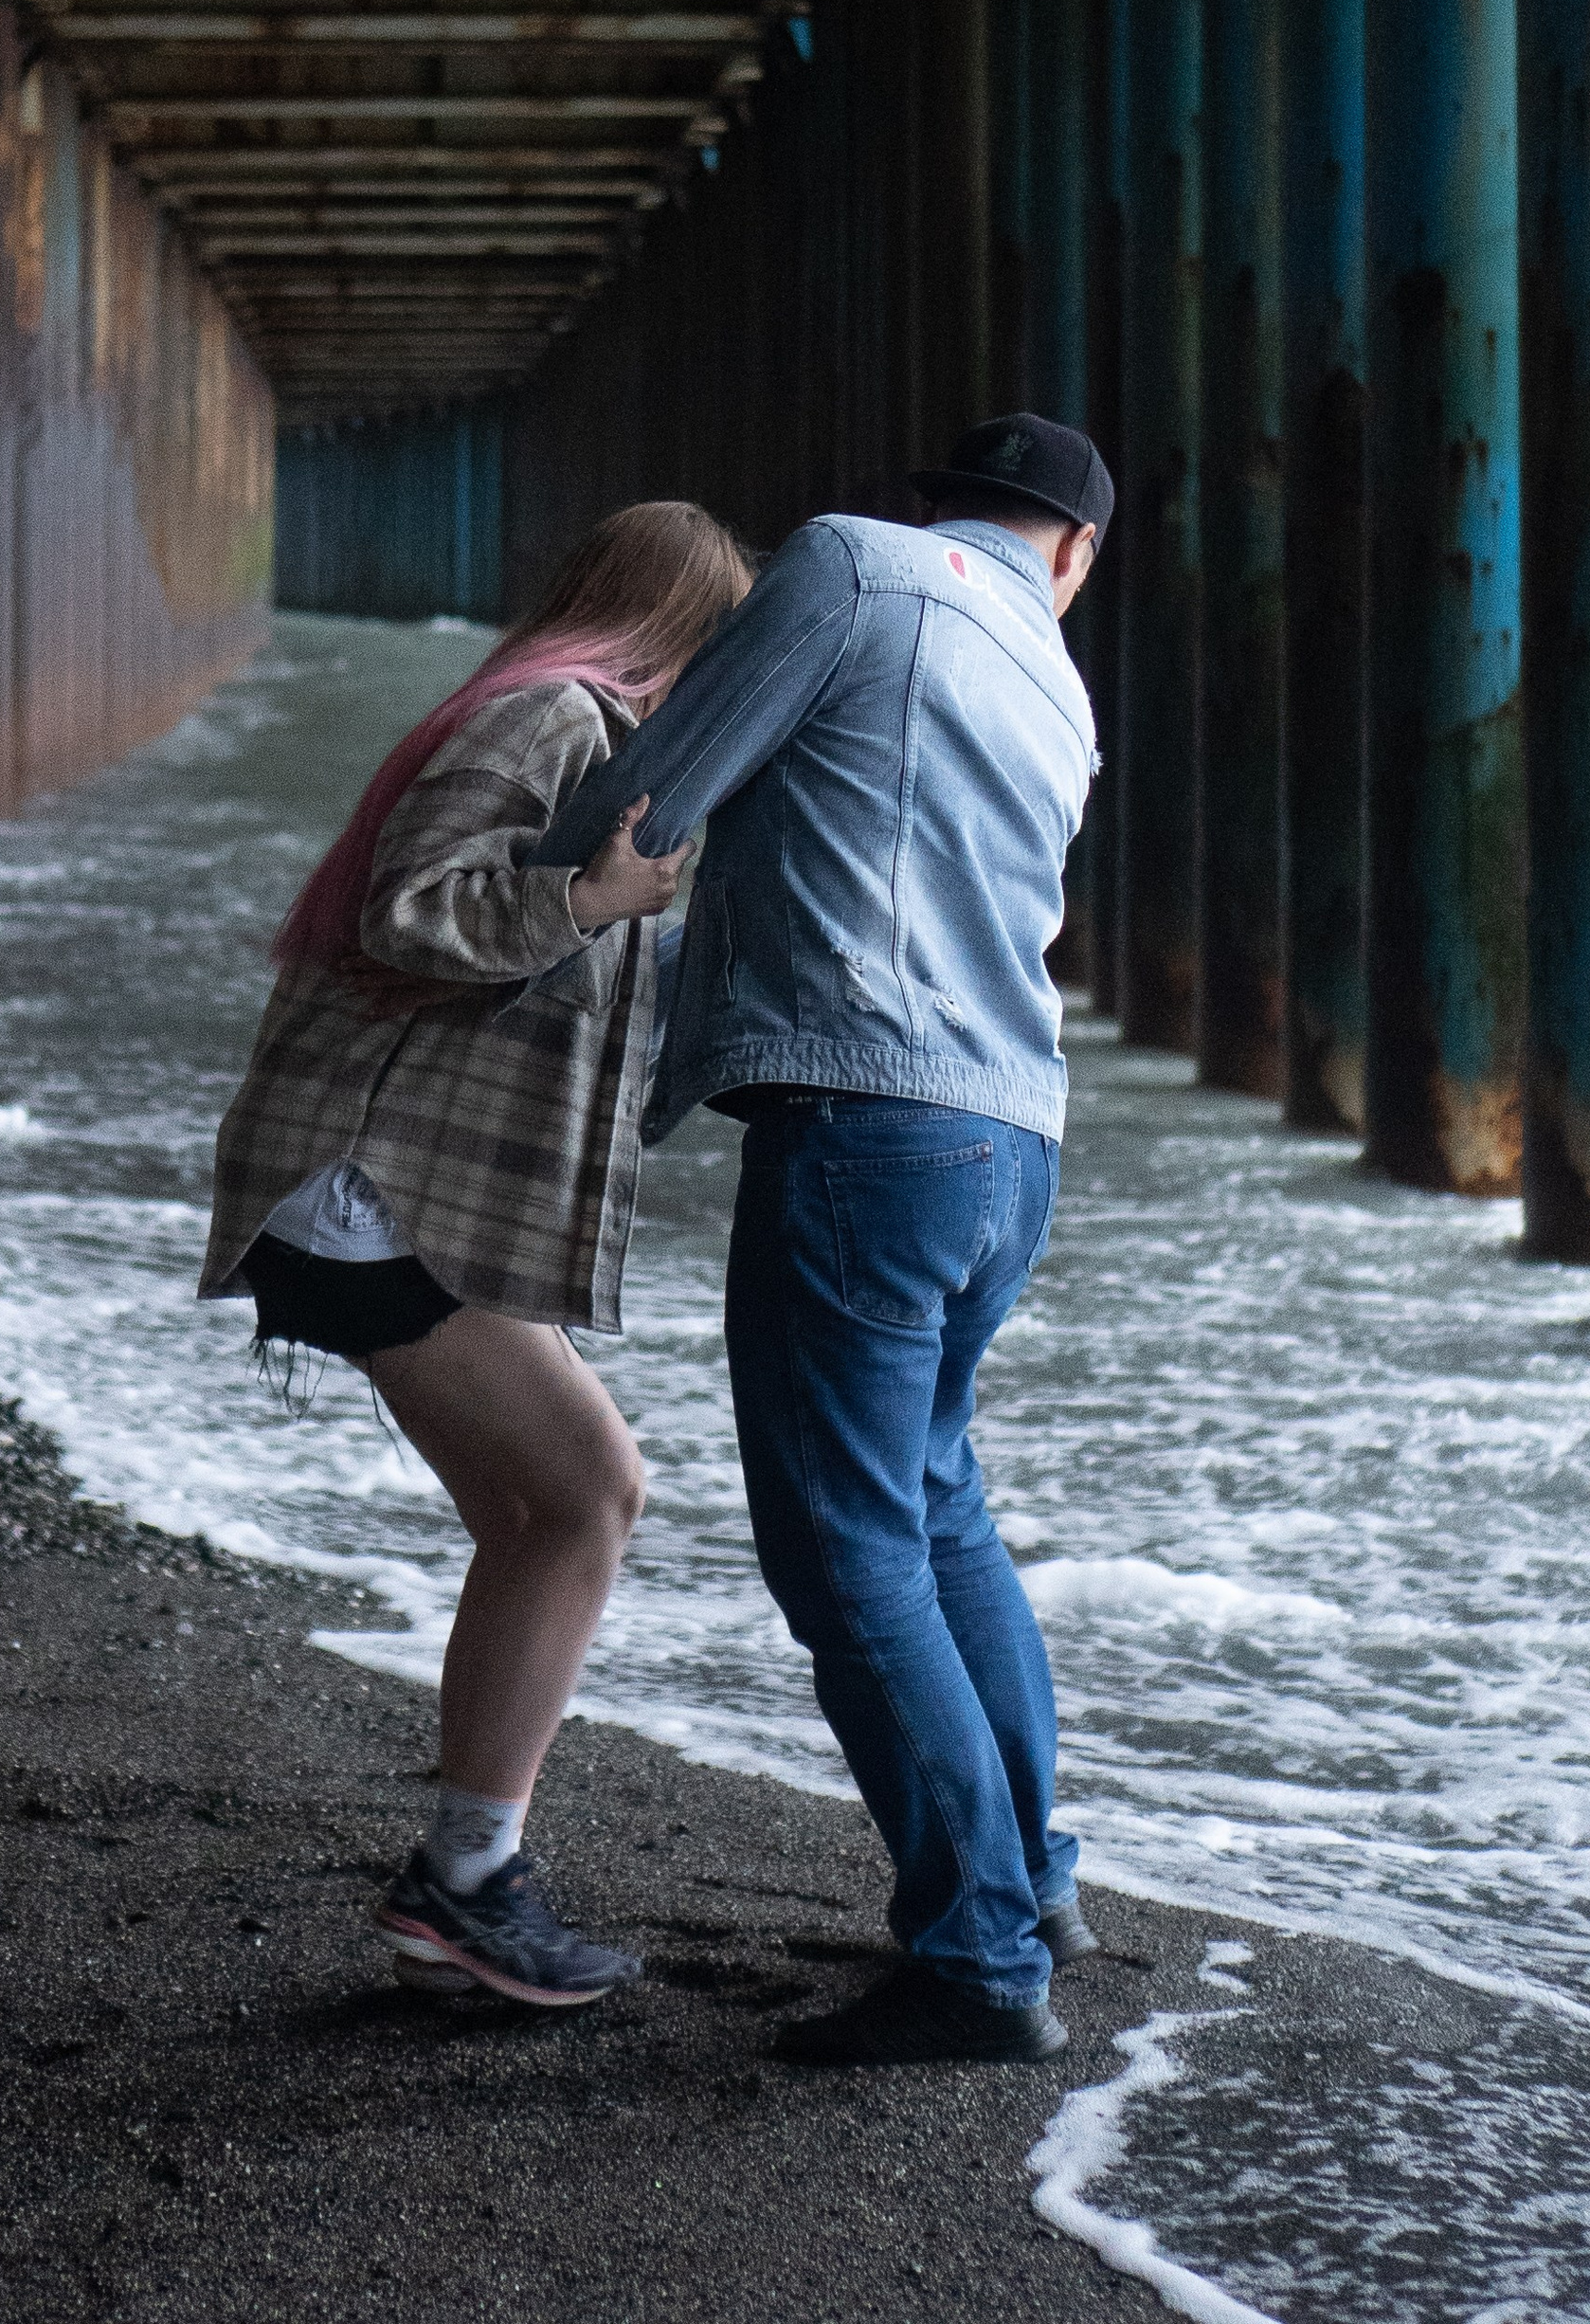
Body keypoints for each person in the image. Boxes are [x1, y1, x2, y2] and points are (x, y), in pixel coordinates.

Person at [536, 414, 1111, 2066]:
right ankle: (1036, 1884)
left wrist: (497, 872)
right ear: (1074, 554)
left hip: (868, 1122)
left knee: (844, 1549)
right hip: (1013, 1143)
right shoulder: (1060, 687)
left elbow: (642, 808)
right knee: (938, 1507)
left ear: (939, 511)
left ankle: (982, 1956)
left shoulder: (860, 562)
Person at [197, 500, 743, 2011]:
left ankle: (468, 1870)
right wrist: (591, 898)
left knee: (539, 1513)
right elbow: (411, 908)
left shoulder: (566, 728)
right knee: (588, 1496)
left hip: (392, 1194)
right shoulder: (556, 717)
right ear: (681, 632)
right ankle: (466, 1878)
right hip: (377, 1193)